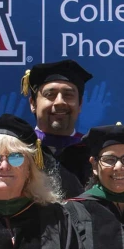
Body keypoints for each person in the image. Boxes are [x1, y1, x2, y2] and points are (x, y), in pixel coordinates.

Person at [21, 59, 92, 195]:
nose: (60, 102)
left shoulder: (93, 153)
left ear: (80, 104)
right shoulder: (19, 149)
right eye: (50, 95)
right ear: (33, 104)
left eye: (68, 95)